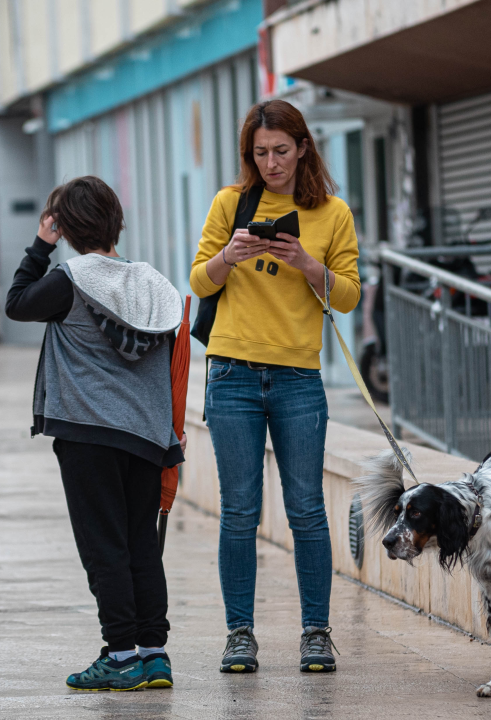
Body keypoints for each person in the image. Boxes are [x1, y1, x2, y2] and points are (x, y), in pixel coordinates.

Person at [189, 99, 360, 674]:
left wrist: (309, 265)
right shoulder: (229, 203)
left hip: (296, 377)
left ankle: (316, 633)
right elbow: (196, 279)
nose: (271, 163)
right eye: (260, 153)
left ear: (303, 148)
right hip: (233, 371)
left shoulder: (332, 213)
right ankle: (240, 634)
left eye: (281, 151)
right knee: (239, 511)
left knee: (307, 509)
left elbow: (349, 295)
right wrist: (229, 256)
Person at [6, 176, 185, 692]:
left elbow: (17, 303)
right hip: (147, 438)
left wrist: (41, 244)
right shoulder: (153, 285)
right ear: (117, 221)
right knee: (140, 546)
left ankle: (121, 655)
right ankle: (154, 656)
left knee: (103, 547)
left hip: (88, 435)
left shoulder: (68, 280)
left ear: (65, 227)